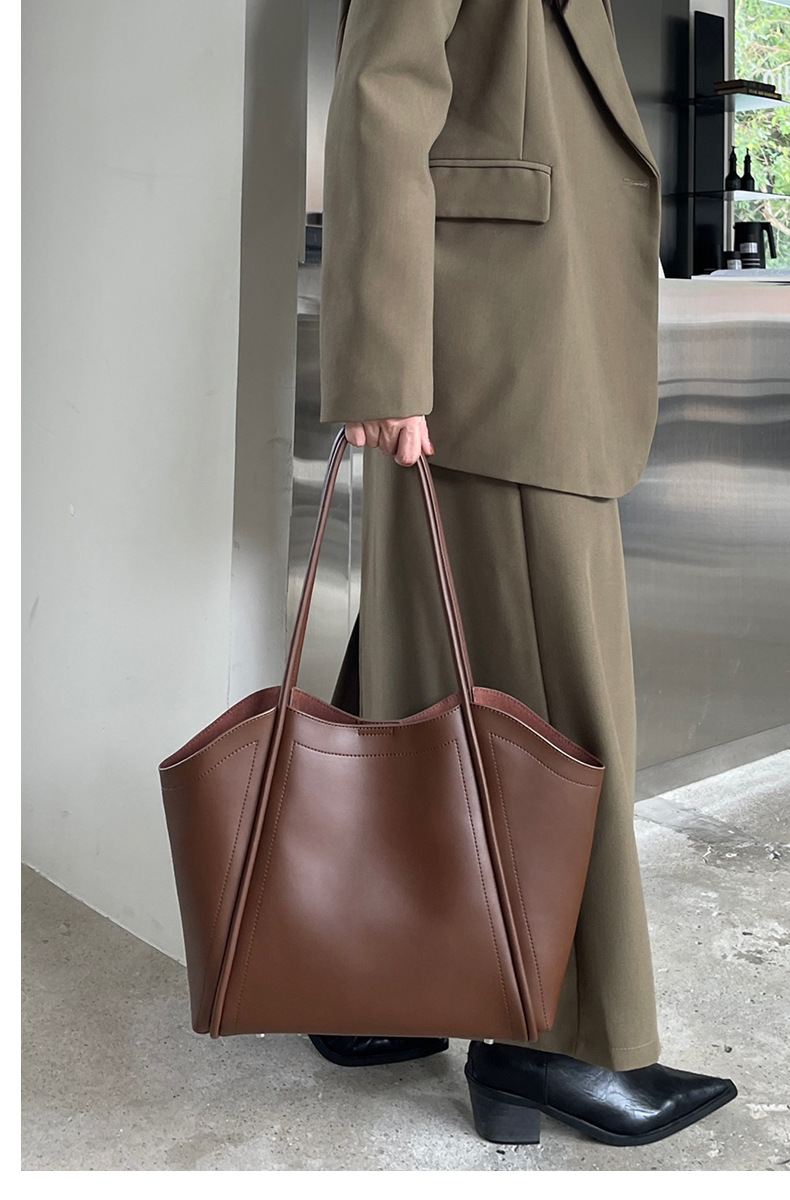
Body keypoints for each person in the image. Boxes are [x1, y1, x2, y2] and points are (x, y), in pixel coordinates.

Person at [312, 0, 737, 1146]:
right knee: (551, 691)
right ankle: (553, 1044)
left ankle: (378, 983)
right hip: (492, 347)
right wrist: (384, 358)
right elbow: (382, 91)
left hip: (513, 332)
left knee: (431, 671)